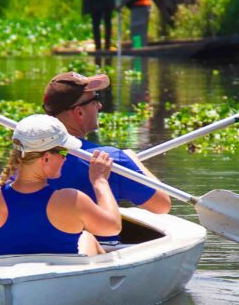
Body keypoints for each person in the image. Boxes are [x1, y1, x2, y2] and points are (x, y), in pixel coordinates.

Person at [0, 93, 122, 256]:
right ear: (46, 159)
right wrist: (99, 181)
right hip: (62, 281)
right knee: (87, 237)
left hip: (6, 272)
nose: (66, 158)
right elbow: (112, 226)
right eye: (64, 152)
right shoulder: (70, 200)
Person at [42, 72, 171, 217]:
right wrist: (133, 160)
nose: (100, 106)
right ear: (79, 112)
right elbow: (162, 205)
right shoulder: (111, 158)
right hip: (101, 238)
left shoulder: (28, 157)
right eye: (95, 100)